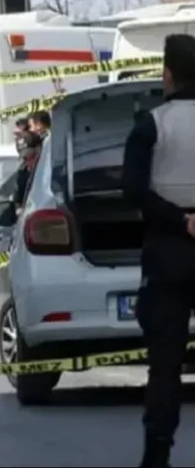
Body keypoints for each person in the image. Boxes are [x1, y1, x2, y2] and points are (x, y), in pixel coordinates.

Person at [121, 34, 195, 468]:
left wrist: (182, 220)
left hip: (169, 254)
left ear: (167, 75)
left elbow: (132, 190)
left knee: (165, 366)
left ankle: (156, 456)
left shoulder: (151, 124)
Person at [13, 131, 42, 209]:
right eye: (25, 159)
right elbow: (19, 198)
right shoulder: (23, 173)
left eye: (30, 158)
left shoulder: (45, 172)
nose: (27, 162)